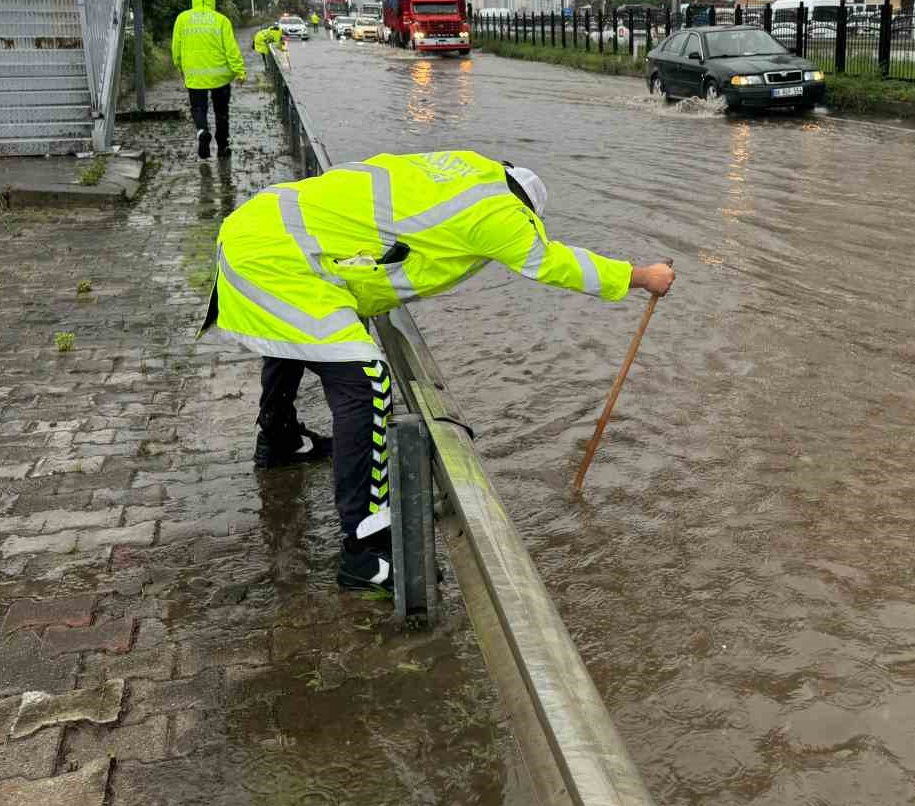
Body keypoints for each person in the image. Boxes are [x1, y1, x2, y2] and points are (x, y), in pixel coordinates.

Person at [201, 150, 675, 590]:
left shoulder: (466, 168)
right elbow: (550, 262)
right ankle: (364, 552)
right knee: (369, 380)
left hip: (262, 229)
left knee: (301, 334)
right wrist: (639, 276)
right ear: (528, 210)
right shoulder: (501, 215)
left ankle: (280, 439)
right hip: (279, 260)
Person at [172, 0, 245, 160]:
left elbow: (176, 46)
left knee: (198, 109)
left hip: (195, 76)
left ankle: (203, 132)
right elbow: (231, 49)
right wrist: (240, 71)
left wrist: (179, 65)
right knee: (221, 112)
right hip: (220, 76)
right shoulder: (221, 20)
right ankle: (222, 146)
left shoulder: (183, 18)